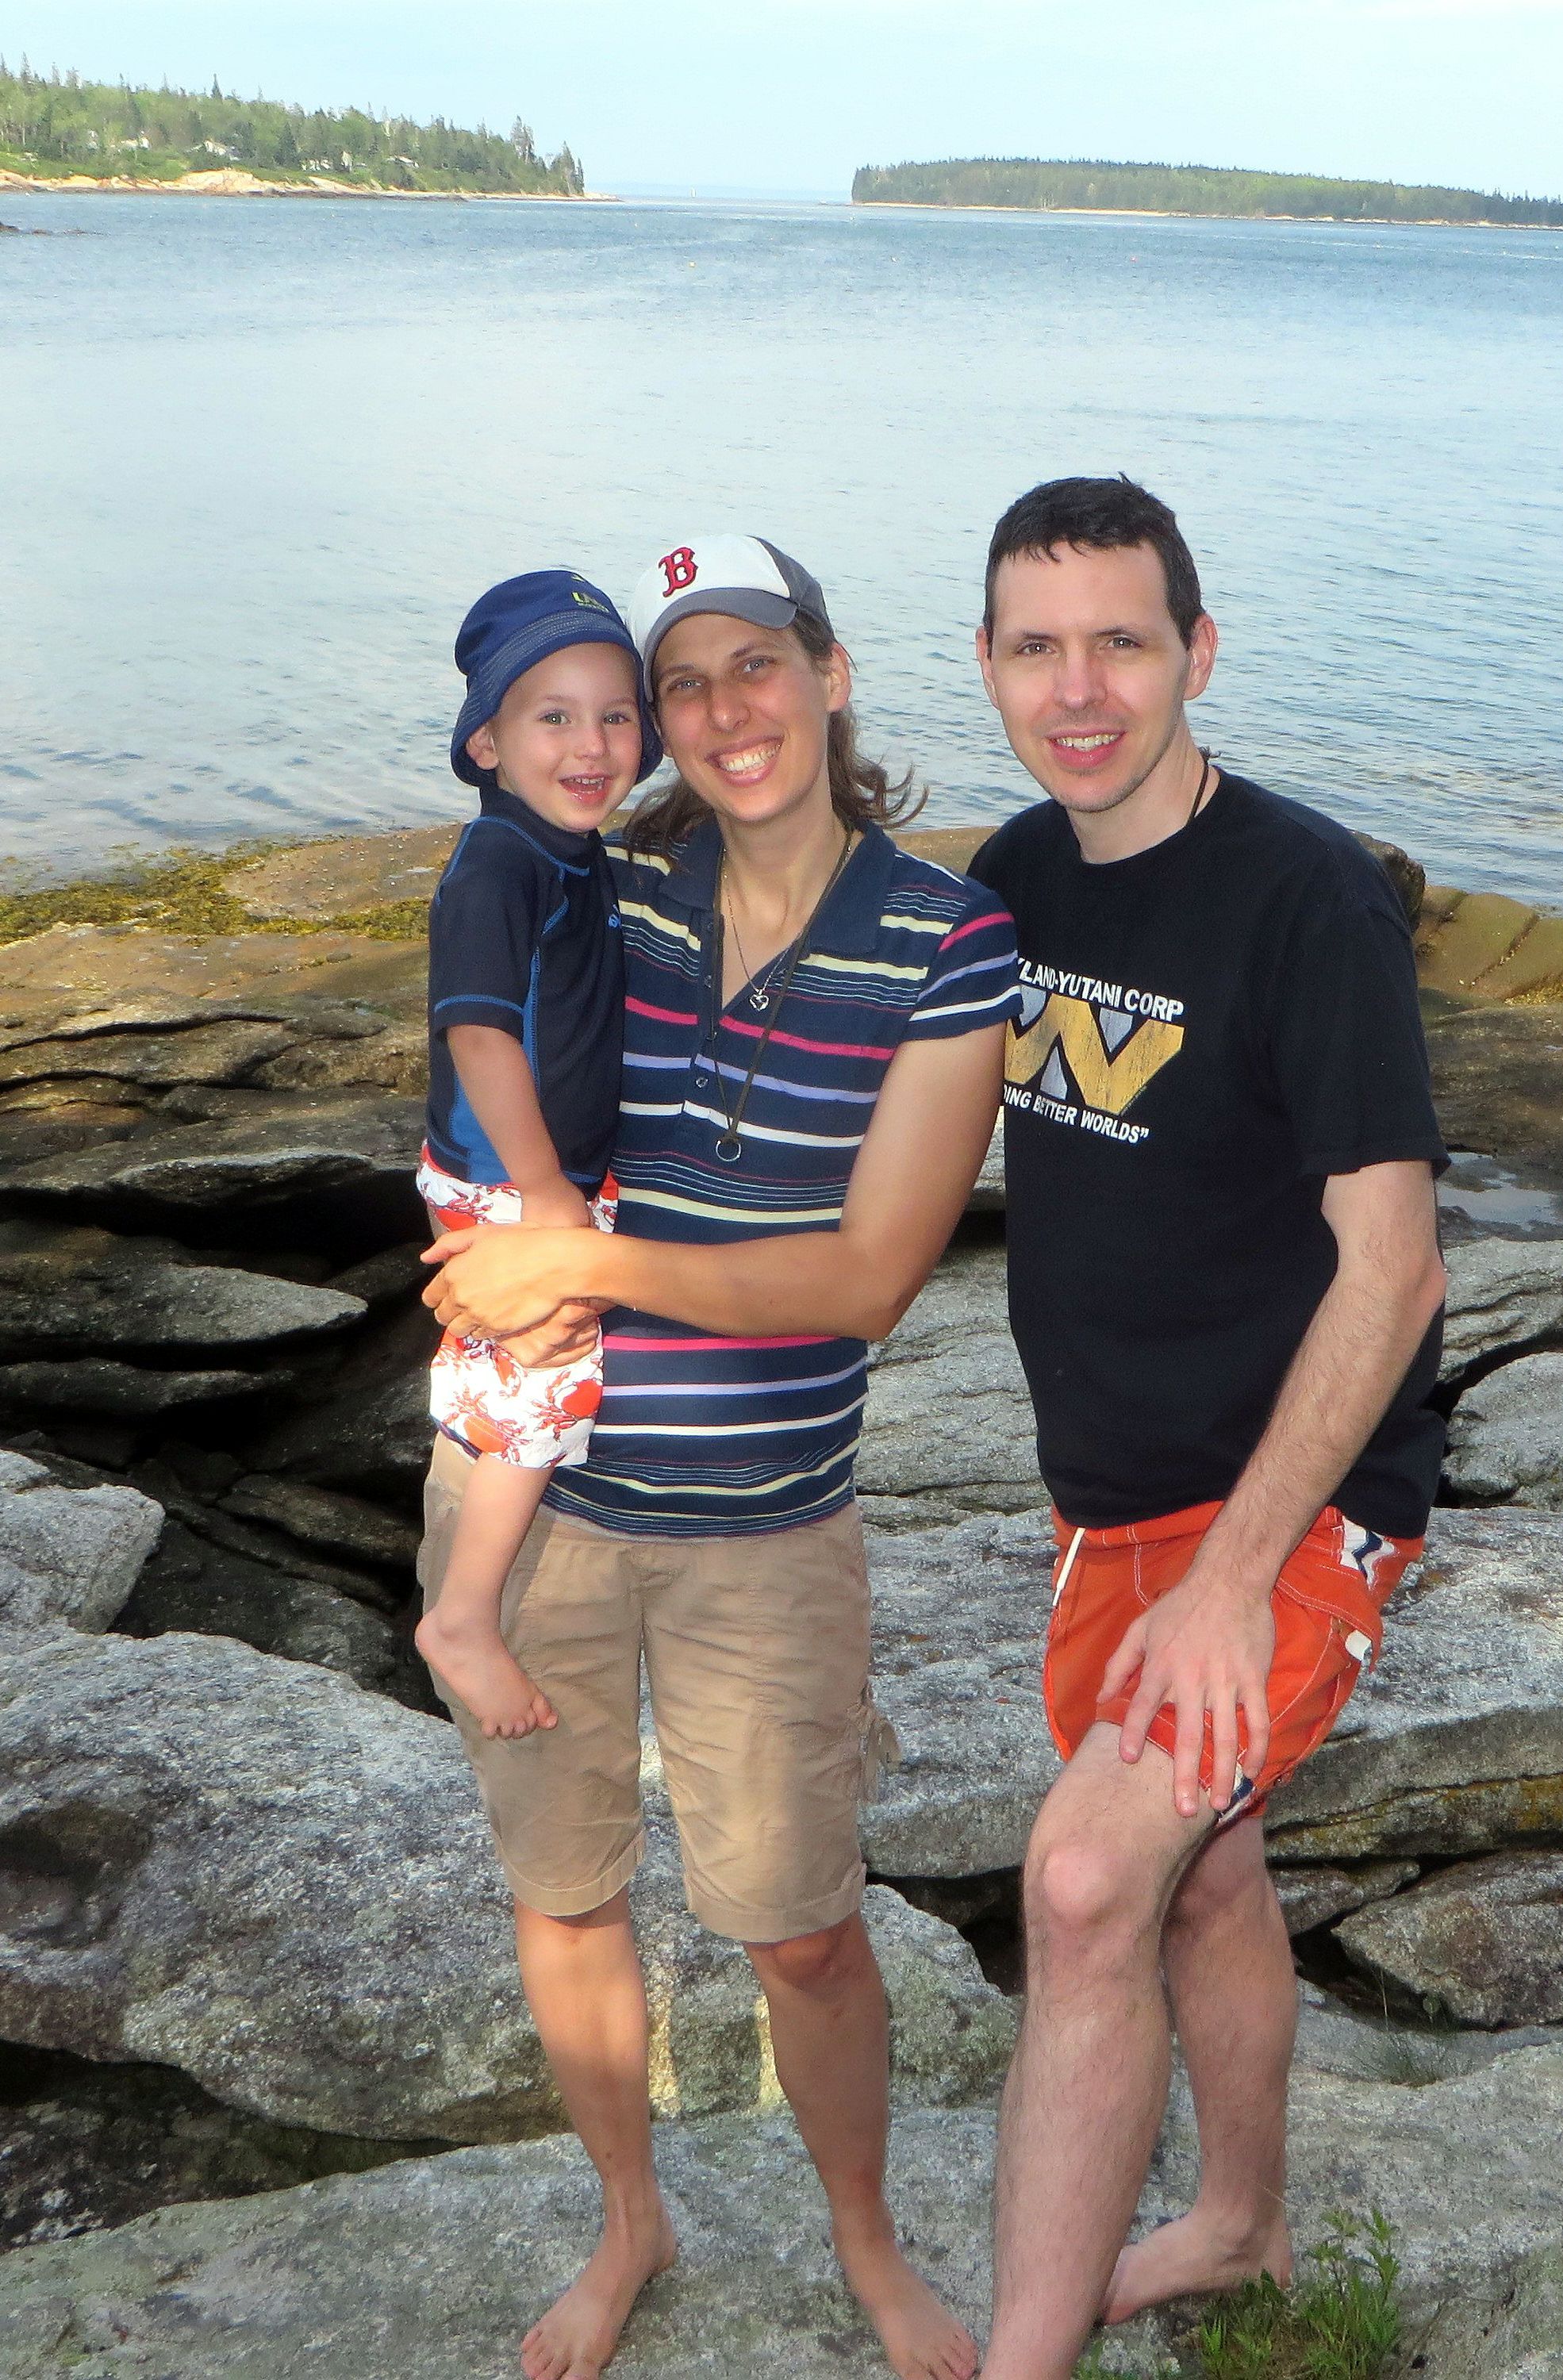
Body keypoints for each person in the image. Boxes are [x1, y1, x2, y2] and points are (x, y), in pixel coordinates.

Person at [418, 533, 1021, 2380]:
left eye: (754, 662)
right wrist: (483, 1225)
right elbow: (479, 1026)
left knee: (803, 1935)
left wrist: (575, 1261)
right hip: (539, 1515)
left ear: (830, 675)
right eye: (682, 684)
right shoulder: (619, 890)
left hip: (765, 1529)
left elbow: (865, 1282)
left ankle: (868, 2241)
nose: (720, 710)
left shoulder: (950, 940)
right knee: (565, 1896)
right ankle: (631, 2220)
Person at [963, 475, 1450, 2379]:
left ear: (1199, 654)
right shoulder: (1015, 874)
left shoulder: (1308, 899)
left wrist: (1238, 1581)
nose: (1079, 688)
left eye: (1122, 641)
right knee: (1203, 1867)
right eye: (1037, 646)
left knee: (1089, 1878)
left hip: (1293, 1508)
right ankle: (1239, 2224)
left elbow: (1395, 1271)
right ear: (987, 667)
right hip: (1110, 1503)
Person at [413, 569, 662, 1740]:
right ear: (487, 745)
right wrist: (548, 1190)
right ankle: (463, 1617)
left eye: (616, 715)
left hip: (536, 1172)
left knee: (518, 1363)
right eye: (552, 716)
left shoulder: (572, 852)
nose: (591, 743)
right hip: (506, 1174)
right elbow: (478, 1033)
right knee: (547, 1379)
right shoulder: (499, 866)